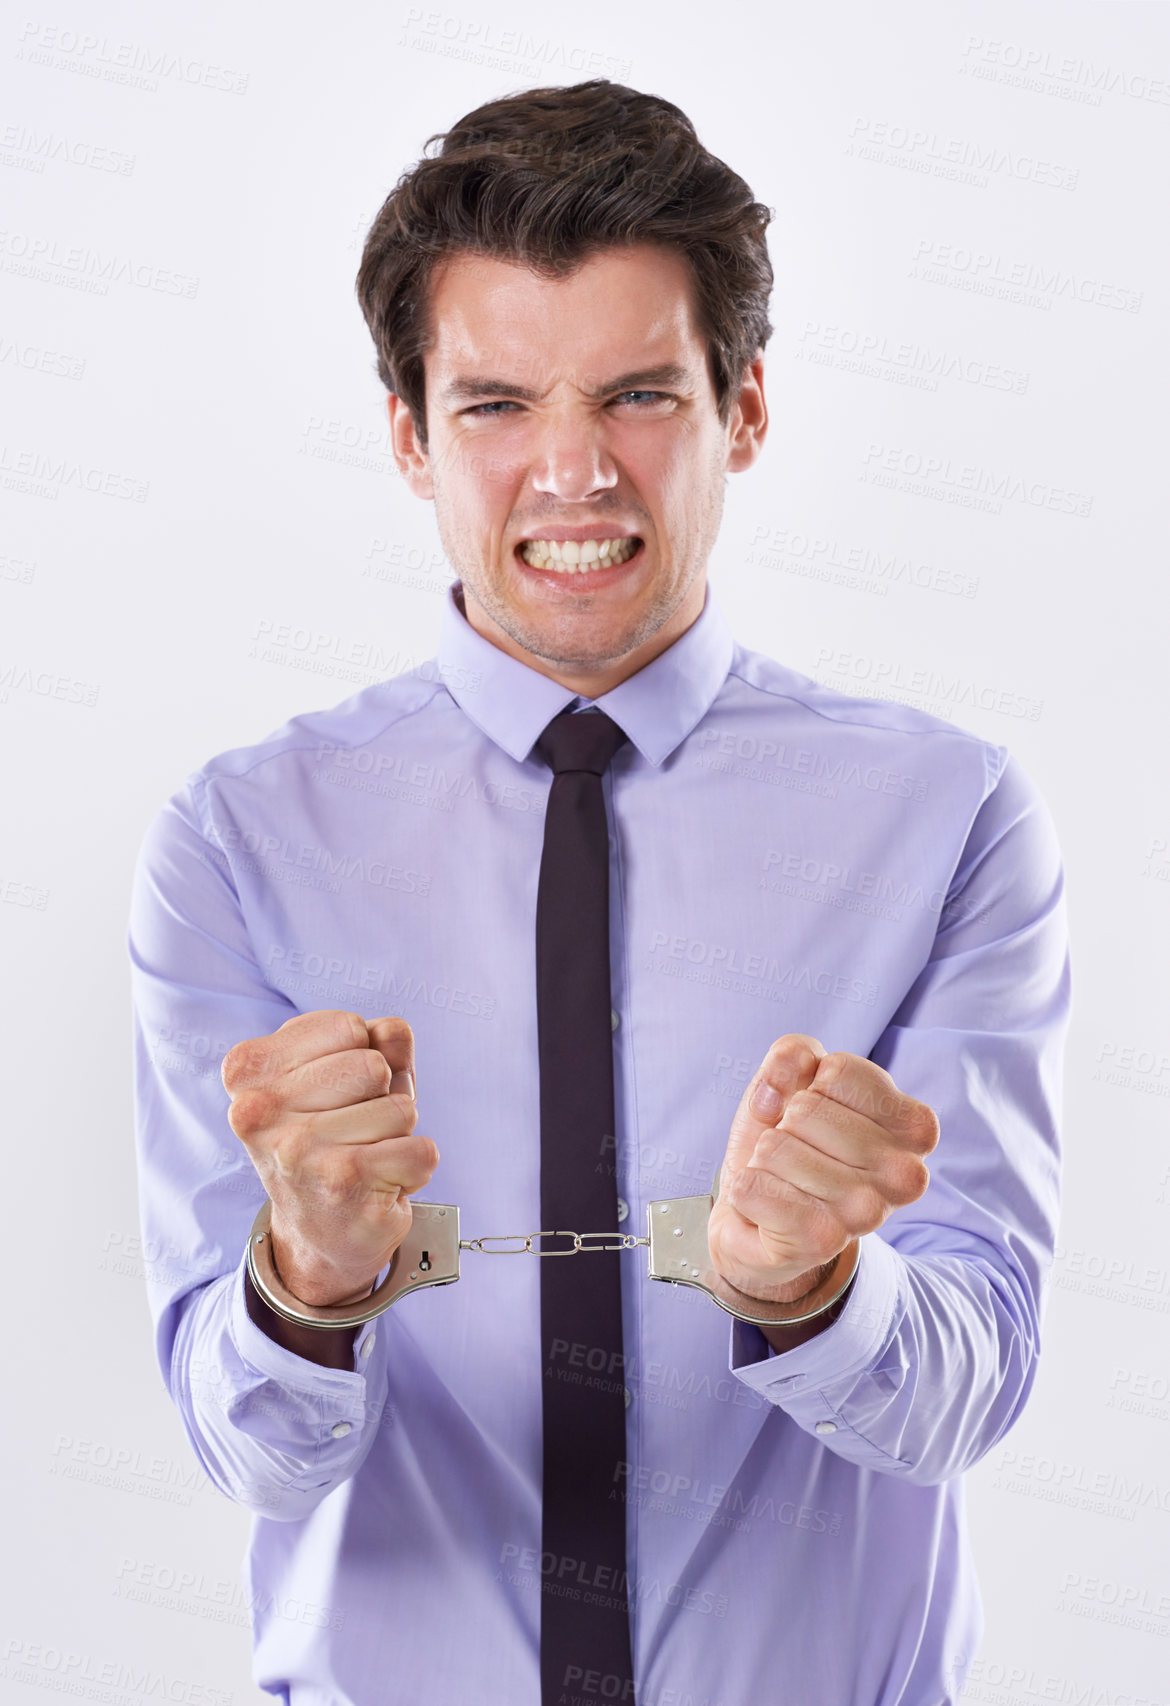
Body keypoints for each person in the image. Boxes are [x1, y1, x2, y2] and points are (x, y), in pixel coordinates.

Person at [128, 80, 1070, 1706]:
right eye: (495, 405)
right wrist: (306, 1279)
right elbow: (242, 1442)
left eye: (637, 394)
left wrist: (817, 1291)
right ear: (411, 433)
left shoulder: (948, 819)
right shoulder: (237, 841)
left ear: (743, 408)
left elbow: (967, 1391)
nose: (572, 474)